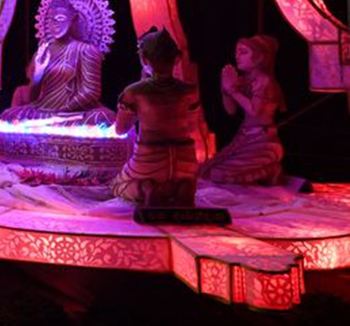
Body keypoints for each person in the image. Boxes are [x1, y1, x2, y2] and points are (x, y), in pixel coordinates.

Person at [111, 29, 200, 207]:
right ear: (177, 59)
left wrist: (139, 109)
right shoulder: (190, 91)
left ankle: (146, 188)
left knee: (117, 186)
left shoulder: (133, 92)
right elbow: (191, 127)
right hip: (186, 161)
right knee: (178, 178)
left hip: (149, 159)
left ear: (144, 59)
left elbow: (120, 129)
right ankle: (183, 186)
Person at [201, 35, 286, 185]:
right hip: (245, 137)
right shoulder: (243, 80)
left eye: (243, 52)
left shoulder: (264, 81)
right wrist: (225, 90)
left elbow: (254, 110)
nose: (237, 56)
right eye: (237, 52)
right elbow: (231, 110)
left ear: (259, 57)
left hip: (262, 141)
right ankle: (264, 170)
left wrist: (233, 91)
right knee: (205, 170)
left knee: (218, 175)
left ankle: (269, 170)